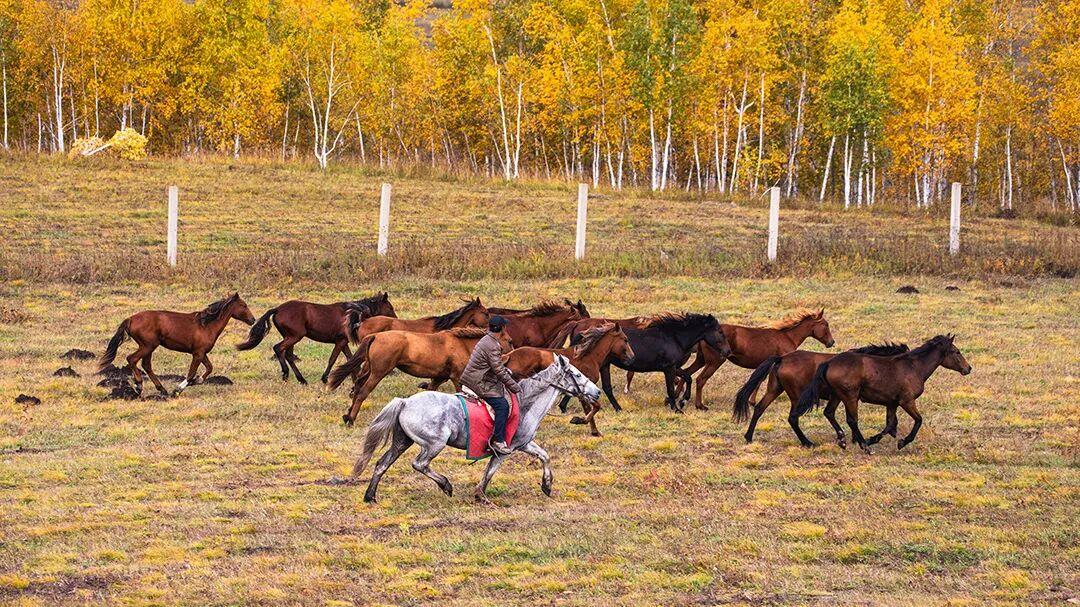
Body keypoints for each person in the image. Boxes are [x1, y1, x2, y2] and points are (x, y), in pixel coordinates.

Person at [460, 315, 520, 455]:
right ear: (502, 329)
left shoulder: (487, 340)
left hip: (476, 377)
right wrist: (514, 387)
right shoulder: (493, 345)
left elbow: (495, 365)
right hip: (478, 383)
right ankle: (498, 440)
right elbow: (498, 370)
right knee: (502, 406)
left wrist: (507, 372)